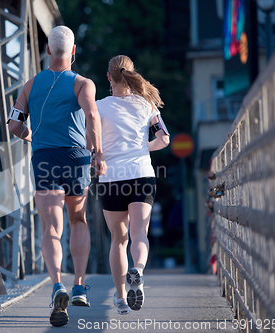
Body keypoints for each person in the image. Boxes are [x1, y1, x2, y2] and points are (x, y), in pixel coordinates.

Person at [7, 25, 106, 327]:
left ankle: (56, 285)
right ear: (73, 51)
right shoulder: (83, 84)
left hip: (45, 158)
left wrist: (31, 136)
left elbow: (13, 126)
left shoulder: (30, 85)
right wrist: (98, 153)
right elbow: (91, 116)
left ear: (48, 50)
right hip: (75, 158)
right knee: (78, 220)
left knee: (51, 227)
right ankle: (78, 285)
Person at [94, 55, 170, 315]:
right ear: (131, 75)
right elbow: (165, 138)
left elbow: (90, 144)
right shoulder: (147, 104)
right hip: (141, 174)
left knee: (118, 239)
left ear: (108, 77)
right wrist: (143, 148)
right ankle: (137, 269)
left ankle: (120, 297)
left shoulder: (99, 107)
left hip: (111, 178)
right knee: (139, 233)